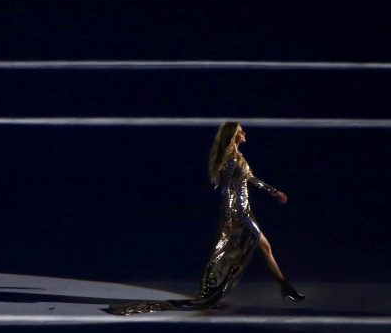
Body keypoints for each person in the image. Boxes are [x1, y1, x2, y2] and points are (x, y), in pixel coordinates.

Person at [104, 121, 305, 315]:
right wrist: (229, 217)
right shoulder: (231, 159)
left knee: (248, 251)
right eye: (241, 132)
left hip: (245, 212)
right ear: (233, 136)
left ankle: (283, 287)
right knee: (235, 252)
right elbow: (226, 189)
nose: (245, 134)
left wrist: (274, 191)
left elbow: (251, 178)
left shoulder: (238, 157)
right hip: (238, 214)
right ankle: (277, 288)